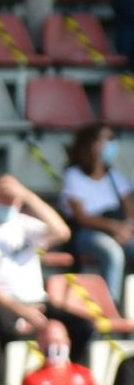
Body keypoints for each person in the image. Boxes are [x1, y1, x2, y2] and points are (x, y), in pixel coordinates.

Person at [0, 175, 90, 354]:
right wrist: (22, 311)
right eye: (4, 197)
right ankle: (11, 378)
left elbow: (62, 232)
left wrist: (27, 195)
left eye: (14, 199)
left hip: (36, 300)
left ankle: (65, 373)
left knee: (83, 327)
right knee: (10, 332)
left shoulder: (25, 225)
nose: (9, 203)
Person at [61, 123, 134, 301]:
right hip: (86, 234)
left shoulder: (115, 178)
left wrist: (126, 229)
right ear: (91, 144)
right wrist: (114, 227)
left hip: (119, 231)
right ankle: (108, 312)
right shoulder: (73, 176)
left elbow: (130, 211)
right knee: (112, 253)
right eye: (106, 139)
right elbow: (82, 217)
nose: (111, 144)